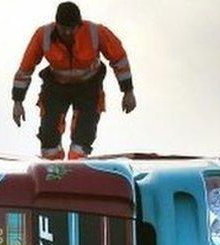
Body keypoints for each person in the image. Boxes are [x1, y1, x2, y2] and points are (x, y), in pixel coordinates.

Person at [11, 2, 136, 160]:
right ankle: (53, 169)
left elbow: (119, 59)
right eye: (63, 28)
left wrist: (128, 91)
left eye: (72, 28)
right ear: (57, 24)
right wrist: (17, 101)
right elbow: (25, 69)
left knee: (83, 135)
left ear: (80, 24)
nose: (68, 32)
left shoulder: (96, 32)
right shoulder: (43, 35)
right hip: (56, 88)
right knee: (48, 134)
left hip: (88, 88)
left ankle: (77, 166)